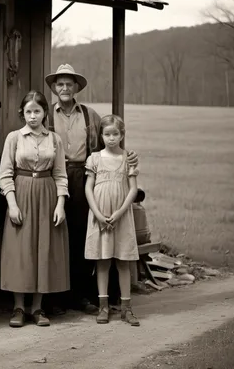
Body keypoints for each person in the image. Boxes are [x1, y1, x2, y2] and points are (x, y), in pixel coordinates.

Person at [44, 64, 138, 314]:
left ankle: (83, 295)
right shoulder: (46, 115)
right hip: (53, 176)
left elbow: (109, 142)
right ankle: (55, 297)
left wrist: (129, 157)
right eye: (60, 84)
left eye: (69, 84)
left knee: (82, 236)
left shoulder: (89, 115)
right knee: (55, 235)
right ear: (54, 88)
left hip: (83, 175)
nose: (65, 88)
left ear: (76, 88)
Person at [0, 90, 69, 328]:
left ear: (45, 113)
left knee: (43, 248)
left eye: (37, 111)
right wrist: (12, 204)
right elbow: (5, 174)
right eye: (28, 112)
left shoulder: (55, 139)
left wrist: (60, 204)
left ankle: (38, 308)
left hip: (47, 194)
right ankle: (19, 308)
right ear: (22, 114)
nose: (32, 116)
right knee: (21, 249)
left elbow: (60, 174)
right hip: (21, 193)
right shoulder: (14, 138)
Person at [84, 114, 140, 326]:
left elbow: (133, 189)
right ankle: (103, 307)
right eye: (107, 134)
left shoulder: (128, 159)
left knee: (123, 261)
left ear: (122, 135)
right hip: (100, 216)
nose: (111, 138)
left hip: (121, 216)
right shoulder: (95, 158)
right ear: (101, 135)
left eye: (115, 134)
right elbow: (89, 187)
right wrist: (98, 214)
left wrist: (119, 213)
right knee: (103, 261)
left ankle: (126, 308)